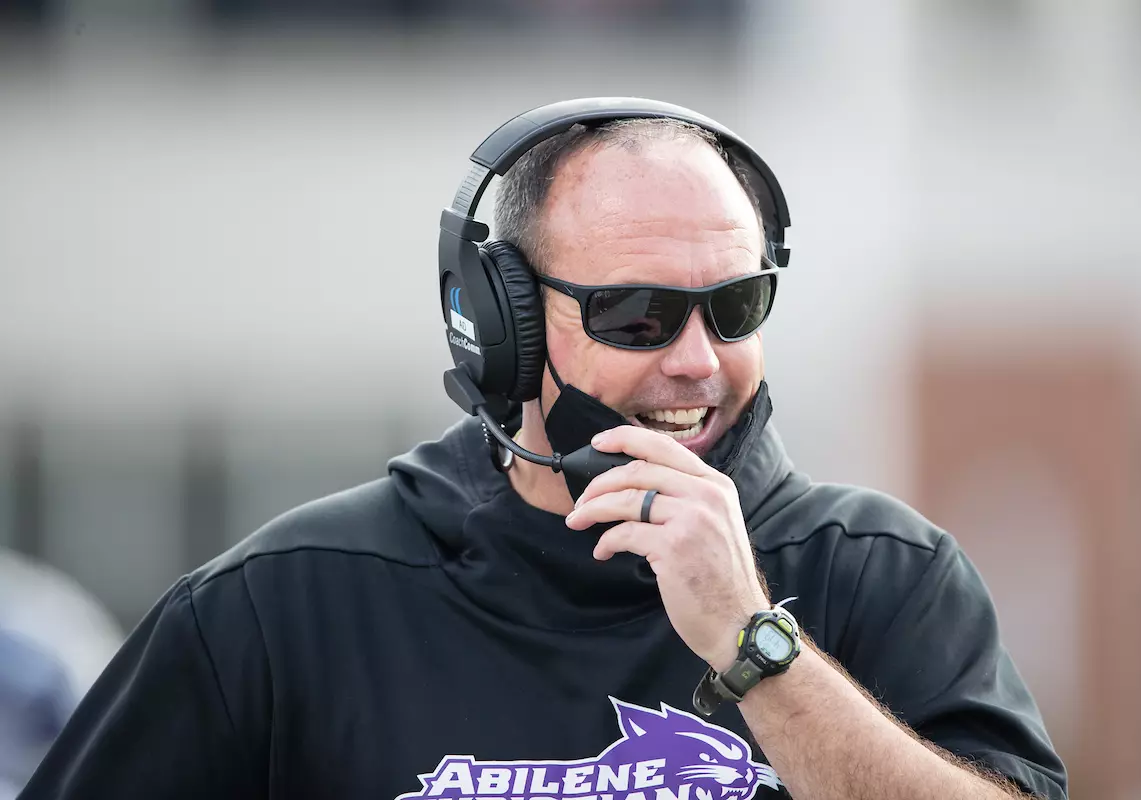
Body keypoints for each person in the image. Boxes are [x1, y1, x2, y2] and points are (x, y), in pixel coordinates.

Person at [20, 99, 1068, 800]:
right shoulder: (282, 607)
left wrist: (755, 645)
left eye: (735, 306)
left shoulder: (884, 574)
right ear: (500, 323)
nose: (697, 360)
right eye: (637, 314)